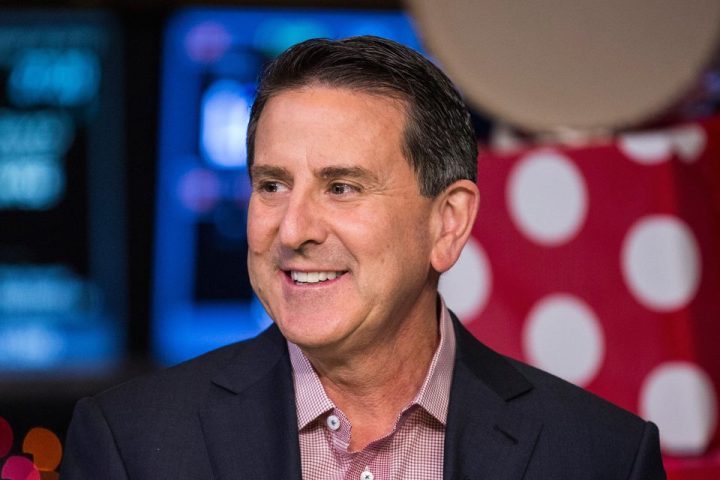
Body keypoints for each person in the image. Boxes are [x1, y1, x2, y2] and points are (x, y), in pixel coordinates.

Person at [62, 36, 666, 479]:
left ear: (448, 222)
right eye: (272, 185)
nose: (293, 229)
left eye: (342, 187)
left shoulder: (599, 456)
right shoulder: (131, 445)